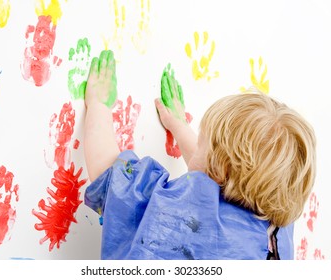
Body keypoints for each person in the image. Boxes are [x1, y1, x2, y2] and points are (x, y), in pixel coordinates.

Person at [83, 49, 316, 260]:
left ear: (219, 170)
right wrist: (180, 126)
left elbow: (112, 176)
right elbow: (216, 177)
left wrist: (98, 106)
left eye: (201, 141)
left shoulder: (180, 216)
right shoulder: (276, 231)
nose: (197, 145)